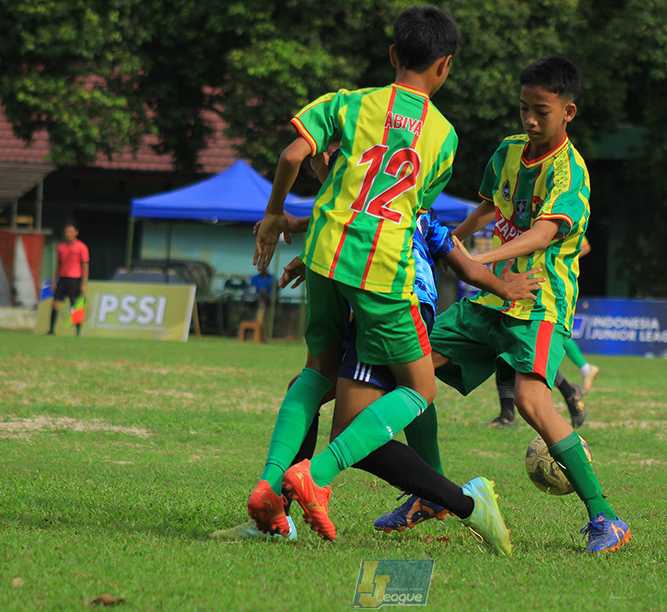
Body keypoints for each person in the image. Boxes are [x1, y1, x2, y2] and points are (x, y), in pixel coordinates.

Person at [245, 6, 520, 551]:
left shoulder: (348, 104)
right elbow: (412, 212)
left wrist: (276, 216)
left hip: (325, 256)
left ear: (393, 55)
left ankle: (270, 484)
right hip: (384, 272)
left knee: (316, 369)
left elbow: (292, 154)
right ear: (444, 67)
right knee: (419, 391)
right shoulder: (444, 137)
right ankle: (315, 475)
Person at [424, 55, 631, 553]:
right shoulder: (508, 151)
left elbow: (542, 232)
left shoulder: (572, 173)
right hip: (495, 295)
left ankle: (606, 517)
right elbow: (493, 204)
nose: (530, 120)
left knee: (532, 400)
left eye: (541, 110)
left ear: (568, 112)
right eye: (524, 109)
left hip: (540, 301)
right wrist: (456, 236)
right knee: (414, 368)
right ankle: (427, 491)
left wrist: (478, 259)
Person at [489, 238, 597, 428]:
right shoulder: (510, 212)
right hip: (506, 283)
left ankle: (571, 389)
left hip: (539, 290)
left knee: (530, 352)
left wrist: (558, 261)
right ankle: (508, 413)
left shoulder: (554, 215)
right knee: (507, 346)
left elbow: (585, 246)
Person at [48, 223, 89, 336]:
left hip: (75, 279)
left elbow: (85, 266)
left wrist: (84, 283)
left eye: (71, 231)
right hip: (62, 279)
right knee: (55, 303)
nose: (68, 234)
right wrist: (54, 281)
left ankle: (78, 332)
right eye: (67, 232)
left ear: (76, 232)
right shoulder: (61, 247)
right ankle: (51, 330)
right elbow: (59, 264)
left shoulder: (82, 247)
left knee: (75, 306)